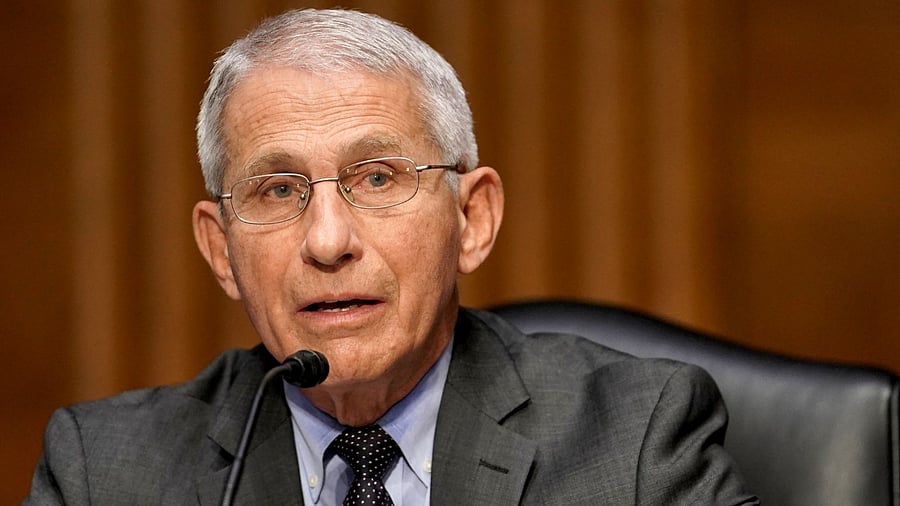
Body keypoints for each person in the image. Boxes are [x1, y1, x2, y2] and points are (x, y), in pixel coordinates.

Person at [26, 8, 758, 505]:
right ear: (221, 249)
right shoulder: (104, 471)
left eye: (377, 178)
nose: (327, 241)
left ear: (472, 219)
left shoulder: (636, 441)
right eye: (278, 191)